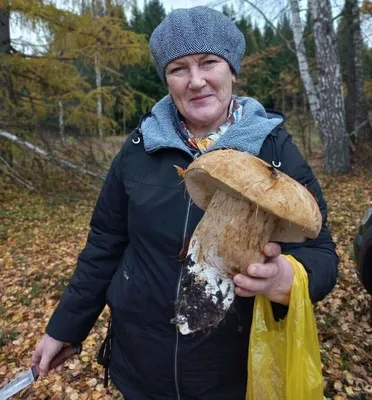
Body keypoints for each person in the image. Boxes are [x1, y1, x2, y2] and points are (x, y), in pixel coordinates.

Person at [31, 6, 339, 400]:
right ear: (167, 80)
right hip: (142, 367)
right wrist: (65, 327)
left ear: (232, 70)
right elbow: (105, 244)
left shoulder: (276, 153)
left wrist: (288, 280)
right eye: (179, 69)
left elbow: (322, 256)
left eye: (209, 62)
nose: (196, 81)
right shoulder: (139, 149)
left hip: (232, 374)